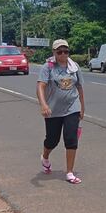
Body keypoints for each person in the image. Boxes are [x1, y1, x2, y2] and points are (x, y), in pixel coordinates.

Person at [37, 39, 86, 184]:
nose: (63, 54)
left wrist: (82, 108)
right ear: (54, 52)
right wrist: (44, 105)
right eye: (60, 51)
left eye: (66, 51)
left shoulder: (74, 67)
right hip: (53, 110)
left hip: (72, 107)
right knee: (52, 140)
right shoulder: (48, 67)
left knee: (71, 138)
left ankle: (69, 172)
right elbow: (41, 86)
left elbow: (80, 87)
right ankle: (45, 156)